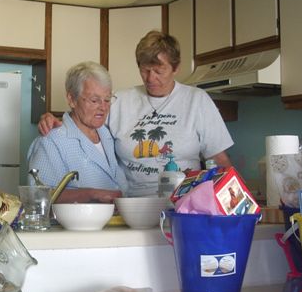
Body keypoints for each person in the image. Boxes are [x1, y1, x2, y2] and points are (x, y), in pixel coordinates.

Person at [39, 30, 234, 197]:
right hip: (131, 204)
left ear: (176, 68)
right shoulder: (121, 100)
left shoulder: (196, 100)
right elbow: (87, 120)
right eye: (145, 70)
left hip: (184, 202)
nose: (151, 78)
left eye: (159, 71)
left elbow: (220, 160)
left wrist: (236, 198)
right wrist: (56, 120)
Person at [27, 61, 127, 203]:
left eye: (107, 100)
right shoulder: (51, 141)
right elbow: (37, 197)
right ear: (72, 99)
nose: (103, 107)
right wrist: (91, 194)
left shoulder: (108, 134)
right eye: (94, 100)